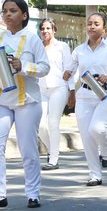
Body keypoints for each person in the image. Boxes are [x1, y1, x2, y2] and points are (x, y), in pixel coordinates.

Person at [0, 0, 50, 210]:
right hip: (1, 101)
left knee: (27, 149)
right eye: (5, 11)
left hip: (27, 101)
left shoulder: (32, 39)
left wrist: (24, 66)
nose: (8, 14)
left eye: (13, 11)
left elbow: (45, 68)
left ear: (24, 15)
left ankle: (33, 193)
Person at [64, 13, 107, 186]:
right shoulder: (79, 50)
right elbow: (70, 69)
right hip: (84, 96)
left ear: (104, 29)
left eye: (96, 24)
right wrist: (67, 75)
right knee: (87, 137)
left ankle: (106, 151)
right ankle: (94, 175)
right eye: (89, 23)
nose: (91, 27)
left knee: (97, 129)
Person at [37, 18, 75, 170]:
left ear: (54, 30)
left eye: (48, 28)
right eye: (42, 29)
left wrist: (72, 90)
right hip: (41, 88)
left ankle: (53, 159)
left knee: (53, 123)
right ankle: (52, 148)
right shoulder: (37, 47)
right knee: (39, 125)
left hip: (59, 88)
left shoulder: (62, 46)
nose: (45, 31)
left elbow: (69, 68)